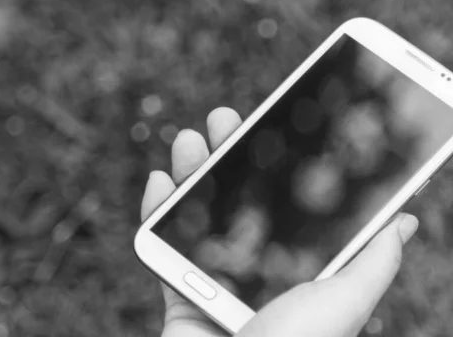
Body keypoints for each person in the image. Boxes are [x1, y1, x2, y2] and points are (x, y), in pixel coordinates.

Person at [141, 107, 419, 337]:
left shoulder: (345, 209)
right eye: (358, 126)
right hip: (239, 233)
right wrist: (250, 219)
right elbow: (260, 184)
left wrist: (261, 259)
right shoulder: (303, 138)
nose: (355, 136)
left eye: (366, 143)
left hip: (256, 269)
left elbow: (306, 260)